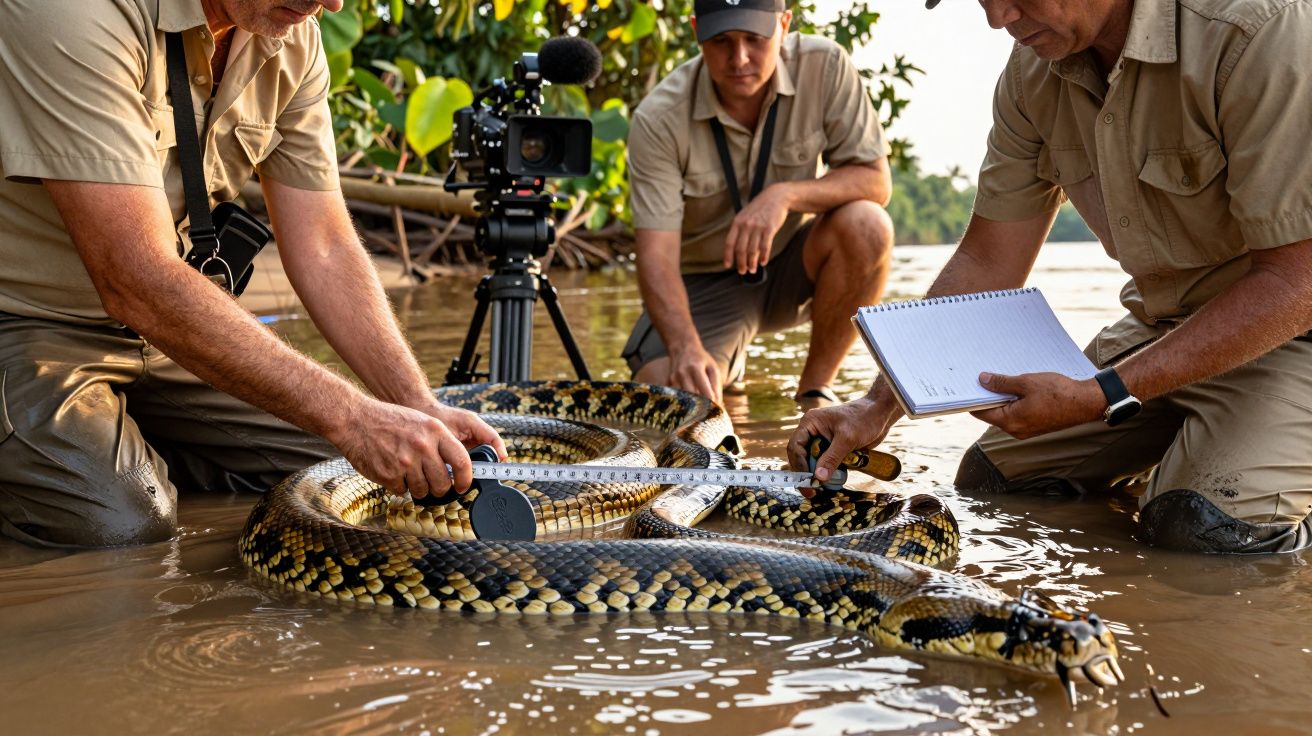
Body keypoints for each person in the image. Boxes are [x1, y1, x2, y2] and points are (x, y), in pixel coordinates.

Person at [792, 0, 1312, 554]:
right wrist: (878, 404)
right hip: (1164, 326)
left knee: (1200, 533)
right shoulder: (1030, 73)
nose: (998, 18)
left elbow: (1297, 279)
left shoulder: (1257, 29)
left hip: (1292, 331)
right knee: (998, 485)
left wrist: (1101, 393)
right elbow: (988, 259)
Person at [0, 0, 505, 548]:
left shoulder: (291, 34)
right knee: (119, 529)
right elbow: (136, 279)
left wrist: (414, 405)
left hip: (168, 329)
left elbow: (326, 245)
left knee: (360, 480)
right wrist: (355, 419)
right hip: (26, 322)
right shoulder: (74, 12)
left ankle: (132, 453)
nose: (330, 5)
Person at [621, 0, 895, 406]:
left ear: (784, 25)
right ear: (696, 30)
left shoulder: (826, 66)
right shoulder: (658, 118)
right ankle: (722, 359)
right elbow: (656, 257)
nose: (739, 58)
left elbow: (875, 181)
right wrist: (685, 348)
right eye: (721, 41)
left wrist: (784, 195)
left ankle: (815, 389)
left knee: (868, 224)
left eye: (755, 38)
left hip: (789, 266)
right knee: (673, 400)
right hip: (701, 283)